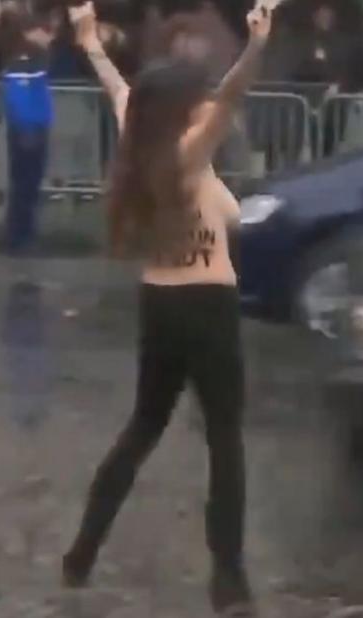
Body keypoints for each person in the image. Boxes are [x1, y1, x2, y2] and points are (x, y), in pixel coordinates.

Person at [61, 2, 272, 614]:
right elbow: (231, 96)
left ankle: (82, 552)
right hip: (208, 305)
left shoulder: (141, 143)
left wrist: (90, 42)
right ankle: (228, 578)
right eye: (196, 100)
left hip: (159, 303)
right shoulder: (185, 156)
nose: (206, 107)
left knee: (143, 427)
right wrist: (256, 45)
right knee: (224, 439)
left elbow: (118, 89)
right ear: (181, 109)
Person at [0, 7, 55, 255]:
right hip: (27, 131)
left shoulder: (35, 59)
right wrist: (27, 128)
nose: (47, 36)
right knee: (24, 186)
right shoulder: (24, 61)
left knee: (28, 186)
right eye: (41, 31)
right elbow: (19, 96)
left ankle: (24, 234)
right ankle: (19, 238)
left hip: (34, 127)